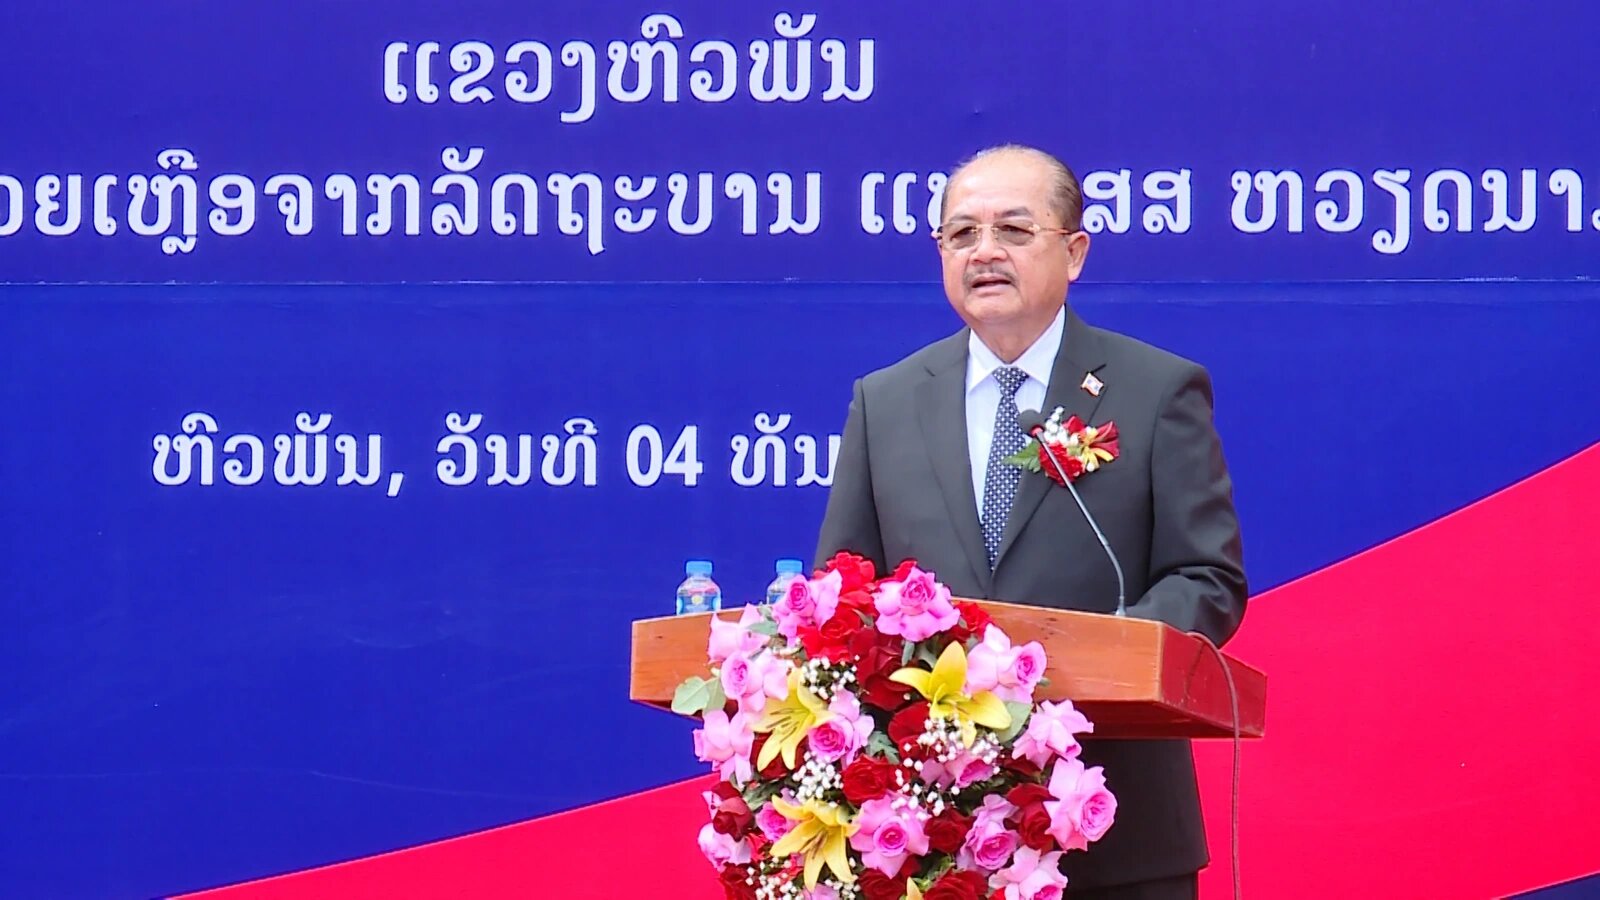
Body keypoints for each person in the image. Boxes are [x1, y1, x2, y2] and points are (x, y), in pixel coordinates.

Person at [813, 144, 1247, 898]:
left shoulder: (1154, 390)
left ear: (1074, 253)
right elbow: (846, 593)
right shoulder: (885, 401)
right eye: (962, 234)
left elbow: (1206, 577)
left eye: (1013, 230)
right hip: (933, 833)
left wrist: (1100, 658)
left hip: (1114, 824)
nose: (984, 252)